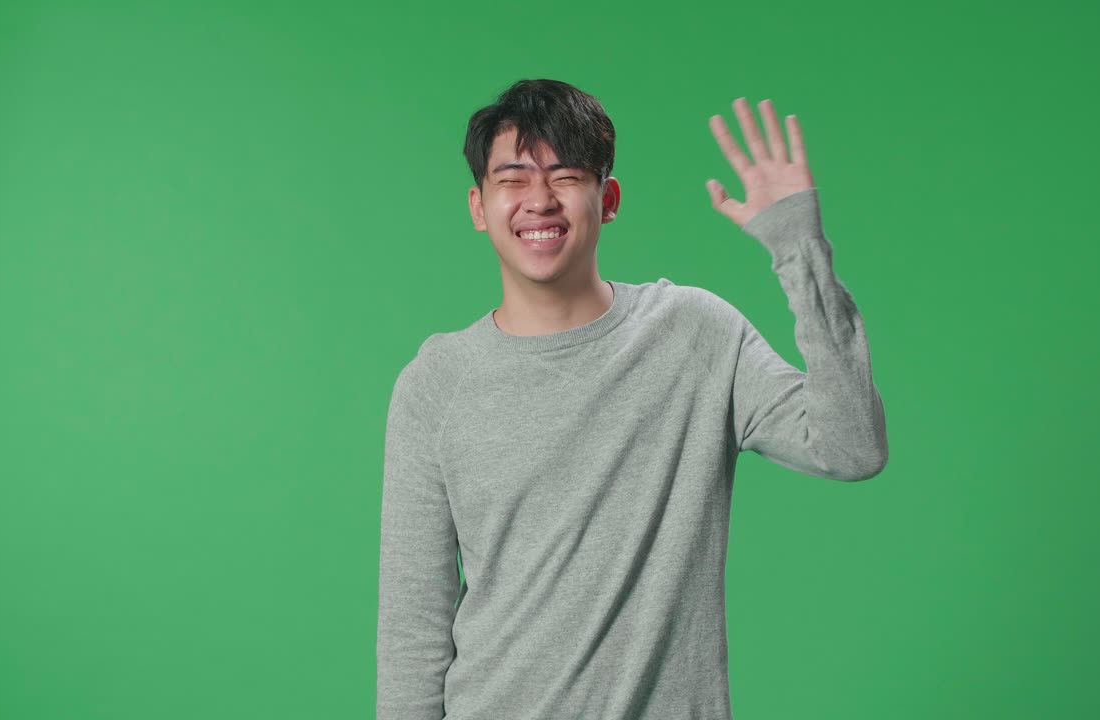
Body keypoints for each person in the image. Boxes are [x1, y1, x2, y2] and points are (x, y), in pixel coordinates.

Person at [376, 78, 888, 720]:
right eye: (513, 179)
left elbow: (852, 446)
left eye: (564, 177)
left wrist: (799, 249)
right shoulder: (436, 382)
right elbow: (412, 631)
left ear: (607, 198)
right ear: (479, 206)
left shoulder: (695, 332)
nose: (539, 201)